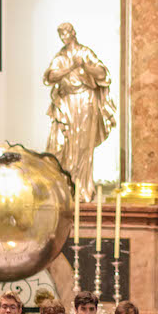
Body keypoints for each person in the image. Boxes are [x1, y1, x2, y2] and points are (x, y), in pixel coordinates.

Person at [43, 22, 117, 203]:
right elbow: (50, 77)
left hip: (85, 101)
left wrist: (85, 65)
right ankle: (66, 188)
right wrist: (70, 67)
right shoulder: (61, 56)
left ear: (73, 33)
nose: (63, 37)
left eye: (65, 33)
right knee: (63, 146)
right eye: (60, 34)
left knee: (84, 147)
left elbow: (102, 74)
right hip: (67, 103)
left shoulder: (85, 53)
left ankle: (82, 189)